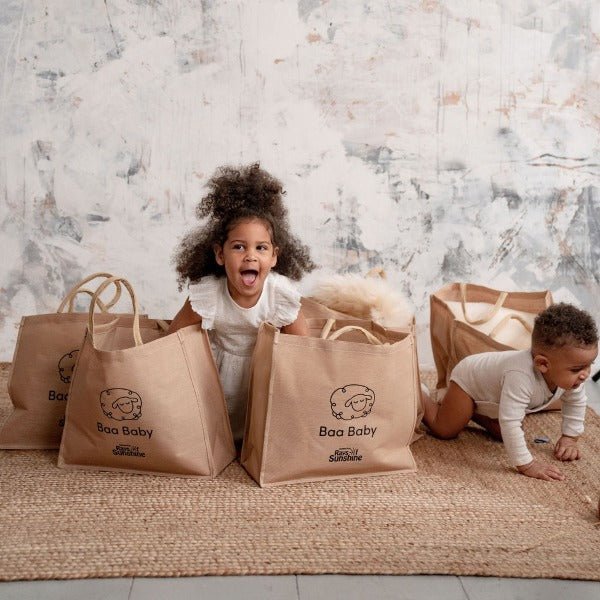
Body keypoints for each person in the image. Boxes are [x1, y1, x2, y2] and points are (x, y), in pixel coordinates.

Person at [169, 163, 316, 442]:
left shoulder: (279, 295)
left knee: (263, 437)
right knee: (206, 436)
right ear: (219, 254)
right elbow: (173, 340)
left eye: (260, 248)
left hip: (262, 381)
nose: (250, 256)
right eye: (239, 246)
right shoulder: (208, 295)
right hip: (216, 379)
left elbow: (303, 352)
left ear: (274, 257)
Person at [422, 303, 598, 481]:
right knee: (445, 430)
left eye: (589, 365)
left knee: (503, 433)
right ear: (543, 364)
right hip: (469, 381)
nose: (585, 374)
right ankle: (420, 393)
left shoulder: (573, 377)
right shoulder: (520, 376)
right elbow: (511, 421)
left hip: (493, 394)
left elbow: (576, 403)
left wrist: (569, 438)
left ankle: (472, 412)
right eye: (577, 369)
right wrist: (527, 464)